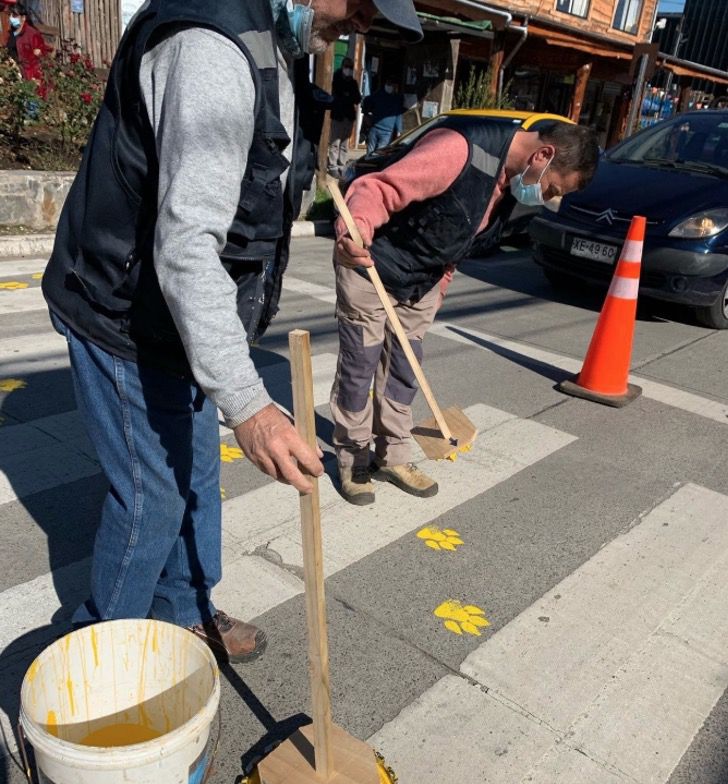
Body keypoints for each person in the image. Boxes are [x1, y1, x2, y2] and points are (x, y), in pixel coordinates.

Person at [41, 0, 423, 663]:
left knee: (193, 477)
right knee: (151, 498)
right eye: (361, 2)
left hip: (179, 318)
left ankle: (185, 609)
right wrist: (250, 407)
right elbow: (187, 246)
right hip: (121, 309)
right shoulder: (212, 48)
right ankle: (95, 660)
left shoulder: (273, 39)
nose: (364, 22)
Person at [330, 119, 599, 505]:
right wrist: (353, 229)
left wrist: (438, 290)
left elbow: (459, 238)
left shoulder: (507, 181)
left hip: (423, 280)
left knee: (404, 372)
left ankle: (393, 456)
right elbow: (378, 188)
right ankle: (353, 458)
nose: (547, 197)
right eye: (552, 188)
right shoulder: (459, 149)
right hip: (372, 264)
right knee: (360, 368)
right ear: (542, 156)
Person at [327, 55, 361, 177]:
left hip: (349, 117)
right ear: (342, 67)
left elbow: (358, 98)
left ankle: (341, 165)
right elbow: (338, 97)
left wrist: (347, 96)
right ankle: (332, 166)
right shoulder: (336, 80)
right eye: (347, 67)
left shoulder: (353, 82)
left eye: (350, 67)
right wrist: (347, 97)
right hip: (338, 116)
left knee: (345, 144)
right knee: (335, 143)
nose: (348, 69)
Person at [5, 2, 49, 87]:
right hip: (15, 76)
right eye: (10, 15)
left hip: (30, 78)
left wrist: (36, 79)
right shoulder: (11, 34)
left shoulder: (32, 34)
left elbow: (42, 59)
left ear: (23, 18)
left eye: (14, 16)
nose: (11, 18)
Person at [362, 78, 406, 153]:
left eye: (391, 85)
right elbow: (366, 101)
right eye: (388, 84)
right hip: (374, 128)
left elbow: (398, 115)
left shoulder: (398, 99)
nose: (389, 86)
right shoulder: (378, 94)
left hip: (387, 132)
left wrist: (399, 130)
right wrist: (366, 114)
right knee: (370, 151)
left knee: (379, 153)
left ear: (395, 87)